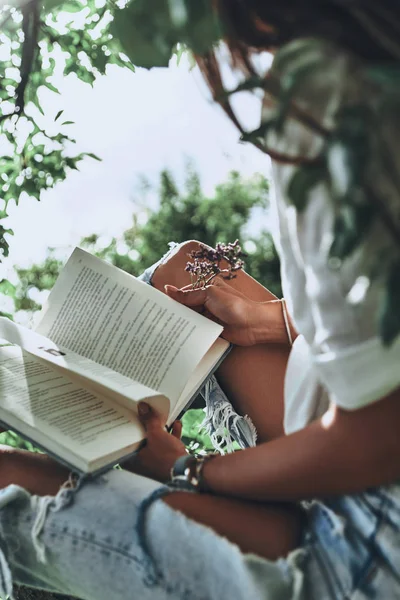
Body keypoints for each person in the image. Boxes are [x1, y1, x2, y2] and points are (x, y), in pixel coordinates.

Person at [1, 1, 400, 599]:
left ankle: (123, 452)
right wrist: (268, 321)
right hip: (360, 448)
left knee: (5, 482)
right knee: (190, 269)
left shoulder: (325, 91)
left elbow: (379, 441)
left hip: (365, 538)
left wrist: (188, 469)